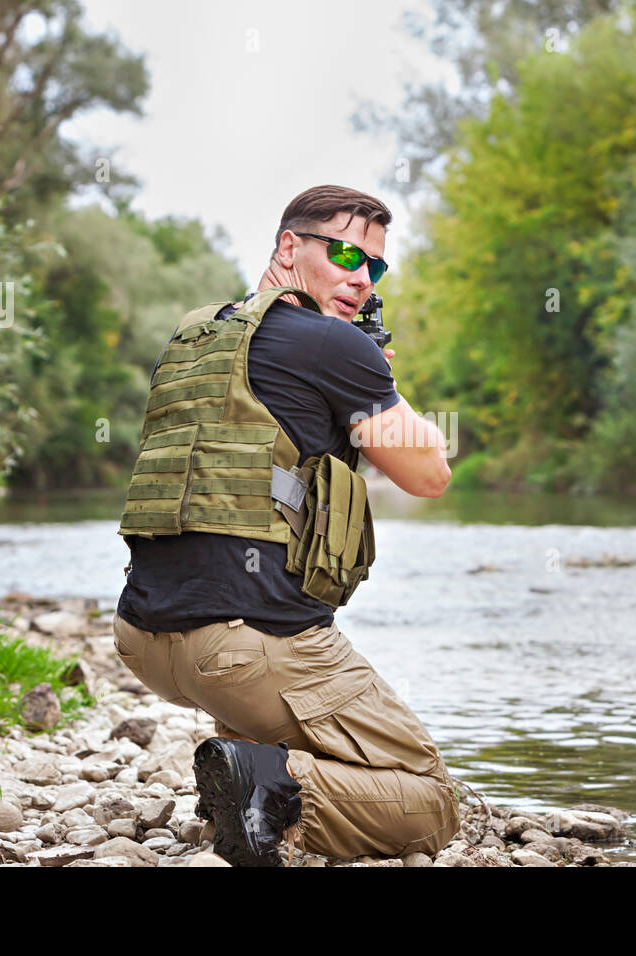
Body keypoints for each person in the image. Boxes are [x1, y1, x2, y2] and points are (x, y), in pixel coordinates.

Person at [112, 184, 461, 866]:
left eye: (376, 267)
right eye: (344, 254)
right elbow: (428, 475)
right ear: (288, 248)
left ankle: (250, 775)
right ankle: (265, 787)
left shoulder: (193, 334)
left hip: (143, 637)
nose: (361, 277)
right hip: (242, 649)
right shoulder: (335, 345)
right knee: (430, 799)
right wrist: (376, 376)